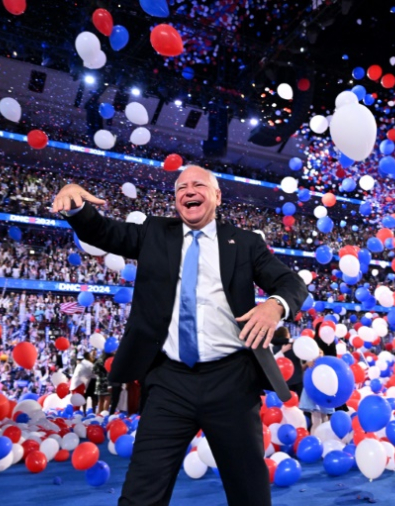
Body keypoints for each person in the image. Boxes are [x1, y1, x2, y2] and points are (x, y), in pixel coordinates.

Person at [52, 165, 308, 506]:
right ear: (176, 200)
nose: (189, 190)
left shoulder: (245, 243)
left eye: (198, 184)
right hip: (169, 382)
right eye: (181, 187)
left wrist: (274, 306)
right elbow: (105, 233)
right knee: (141, 492)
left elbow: (292, 283)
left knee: (249, 493)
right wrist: (77, 207)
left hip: (232, 381)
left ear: (216, 196)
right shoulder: (155, 232)